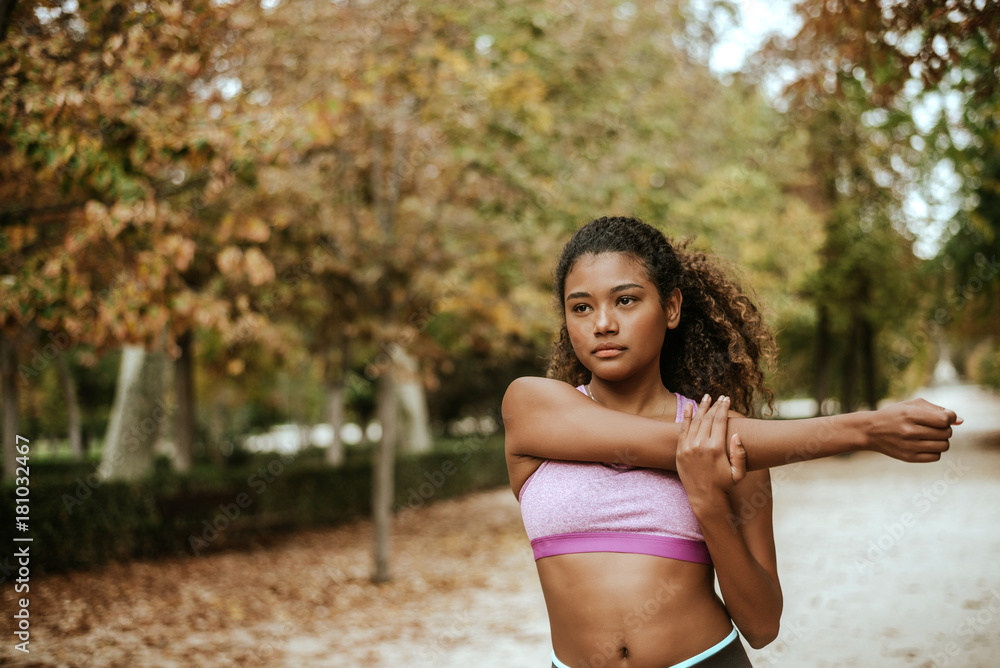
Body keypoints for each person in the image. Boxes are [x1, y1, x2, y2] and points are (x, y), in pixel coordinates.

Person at [502, 216, 961, 668]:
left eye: (626, 300)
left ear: (672, 308)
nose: (603, 323)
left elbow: (762, 627)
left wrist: (708, 503)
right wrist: (866, 429)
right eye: (580, 307)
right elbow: (678, 443)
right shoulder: (532, 405)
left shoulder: (740, 443)